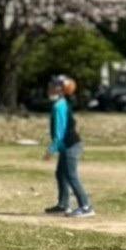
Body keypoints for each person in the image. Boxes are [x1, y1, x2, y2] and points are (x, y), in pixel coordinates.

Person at [43, 73, 94, 218]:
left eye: (54, 85)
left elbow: (60, 132)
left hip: (70, 145)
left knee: (71, 176)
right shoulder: (60, 103)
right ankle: (63, 205)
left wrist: (51, 149)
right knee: (61, 173)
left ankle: (86, 206)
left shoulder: (59, 106)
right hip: (67, 145)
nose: (50, 87)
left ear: (60, 89)